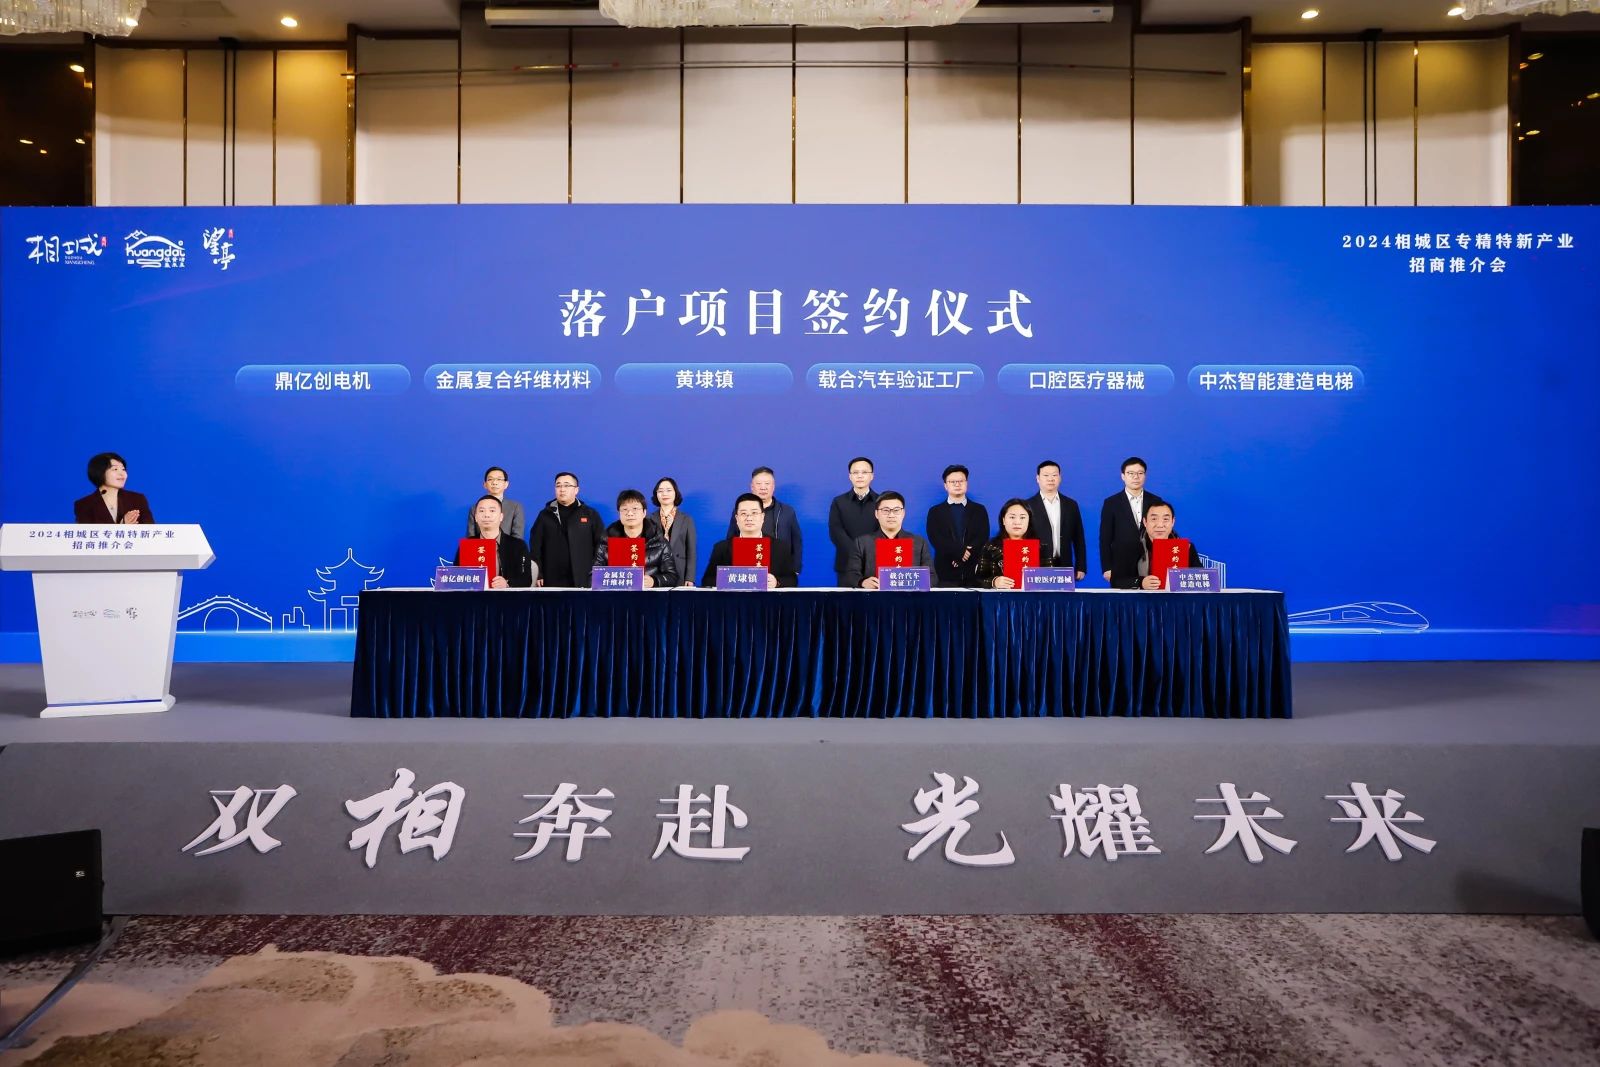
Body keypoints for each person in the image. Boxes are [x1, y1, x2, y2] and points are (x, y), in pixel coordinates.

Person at [702, 493, 799, 588]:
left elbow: (792, 580)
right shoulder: (721, 548)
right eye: (743, 513)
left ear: (762, 517)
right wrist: (729, 579)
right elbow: (707, 580)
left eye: (754, 513)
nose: (749, 518)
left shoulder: (780, 547)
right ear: (737, 518)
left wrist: (776, 582)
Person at [528, 471, 605, 588]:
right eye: (558, 486)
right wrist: (539, 573)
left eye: (567, 485)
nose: (562, 489)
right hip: (551, 577)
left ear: (576, 490)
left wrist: (597, 571)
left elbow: (601, 544)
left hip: (583, 576)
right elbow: (535, 546)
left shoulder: (590, 514)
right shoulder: (545, 515)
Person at [843, 491, 933, 589]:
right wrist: (862, 582)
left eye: (896, 510)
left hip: (909, 597)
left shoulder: (919, 543)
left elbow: (932, 577)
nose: (891, 515)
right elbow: (851, 574)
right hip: (874, 597)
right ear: (876, 514)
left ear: (903, 513)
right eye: (885, 510)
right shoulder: (862, 543)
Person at [1100, 456, 1167, 584]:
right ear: (1123, 476)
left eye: (1140, 473)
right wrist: (1107, 567)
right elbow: (1105, 538)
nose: (1136, 477)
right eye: (1131, 473)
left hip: (1151, 560)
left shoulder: (1155, 501)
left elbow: (1162, 532)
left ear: (1145, 475)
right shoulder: (1111, 503)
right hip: (1121, 563)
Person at [592, 489, 678, 589]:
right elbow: (592, 577)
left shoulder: (659, 542)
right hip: (616, 596)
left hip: (648, 596)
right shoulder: (606, 542)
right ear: (619, 513)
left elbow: (672, 577)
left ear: (644, 512)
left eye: (635, 509)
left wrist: (654, 581)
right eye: (624, 509)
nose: (630, 513)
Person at [725, 466, 803, 574]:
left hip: (780, 570)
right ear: (752, 487)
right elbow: (731, 539)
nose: (763, 488)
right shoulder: (740, 511)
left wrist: (795, 570)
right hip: (748, 569)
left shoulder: (787, 511)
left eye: (767, 484)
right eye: (759, 484)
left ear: (773, 486)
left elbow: (796, 542)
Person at [1109, 501, 1201, 590]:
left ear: (1173, 522)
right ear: (1145, 522)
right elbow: (1116, 581)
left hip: (1176, 599)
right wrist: (1141, 582)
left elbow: (1200, 577)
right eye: (1154, 519)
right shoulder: (1131, 547)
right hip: (1142, 599)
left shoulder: (1186, 547)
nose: (1160, 525)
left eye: (1165, 519)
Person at [924, 464, 989, 588]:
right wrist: (957, 552)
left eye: (961, 481)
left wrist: (962, 557)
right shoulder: (935, 511)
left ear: (966, 483)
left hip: (973, 571)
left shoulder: (979, 510)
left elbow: (982, 537)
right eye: (952, 482)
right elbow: (936, 538)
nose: (957, 484)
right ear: (945, 485)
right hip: (945, 571)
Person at [1023, 460, 1087, 578]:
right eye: (1046, 475)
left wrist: (1081, 566)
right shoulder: (1027, 505)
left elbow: (1079, 537)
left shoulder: (1071, 505)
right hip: (1036, 564)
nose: (1050, 479)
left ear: (1060, 478)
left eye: (1054, 475)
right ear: (1038, 478)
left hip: (1064, 564)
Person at [454, 495, 534, 588]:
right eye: (482, 511)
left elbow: (526, 580)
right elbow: (456, 576)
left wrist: (507, 583)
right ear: (476, 517)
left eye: (492, 511)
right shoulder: (467, 545)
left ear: (501, 517)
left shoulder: (517, 545)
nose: (486, 515)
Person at [827, 456, 880, 586]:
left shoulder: (881, 502)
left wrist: (869, 553)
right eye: (855, 472)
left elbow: (884, 529)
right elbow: (836, 531)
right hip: (846, 563)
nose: (859, 476)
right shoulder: (839, 502)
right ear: (850, 476)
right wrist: (856, 553)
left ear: (872, 476)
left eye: (864, 472)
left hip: (875, 561)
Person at [74, 452, 154, 525]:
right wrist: (121, 527)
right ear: (100, 472)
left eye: (123, 469)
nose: (122, 474)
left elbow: (151, 532)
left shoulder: (137, 499)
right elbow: (86, 534)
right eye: (115, 469)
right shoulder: (84, 505)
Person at [973, 498, 1037, 590]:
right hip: (1000, 597)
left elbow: (1048, 579)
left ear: (1029, 520)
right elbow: (978, 580)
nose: (1017, 522)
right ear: (1003, 520)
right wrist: (994, 582)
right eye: (1012, 517)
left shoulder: (1040, 547)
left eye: (1022, 517)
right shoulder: (990, 547)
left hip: (1032, 597)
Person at [650, 476, 696, 587]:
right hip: (655, 572)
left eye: (669, 490)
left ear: (676, 493)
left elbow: (691, 550)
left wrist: (690, 577)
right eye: (660, 491)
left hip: (679, 570)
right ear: (656, 495)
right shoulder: (649, 519)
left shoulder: (686, 519)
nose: (664, 494)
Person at [466, 466, 525, 541]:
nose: (494, 483)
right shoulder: (475, 508)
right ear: (484, 484)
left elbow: (517, 537)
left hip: (507, 547)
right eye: (490, 479)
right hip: (481, 547)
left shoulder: (515, 507)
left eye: (499, 479)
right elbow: (471, 537)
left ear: (506, 484)